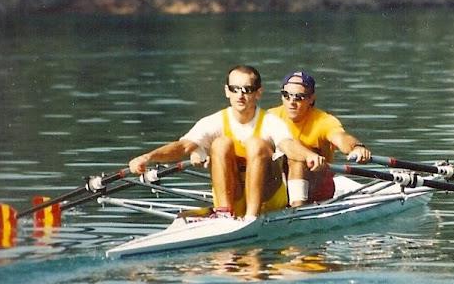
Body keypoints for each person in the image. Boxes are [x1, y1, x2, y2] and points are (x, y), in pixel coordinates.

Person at [128, 65, 325, 220]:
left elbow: (288, 146)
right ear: (226, 91)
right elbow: (183, 146)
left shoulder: (271, 122)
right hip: (234, 196)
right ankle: (224, 213)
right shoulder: (213, 122)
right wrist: (149, 156)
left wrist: (310, 156)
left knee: (256, 144)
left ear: (258, 93)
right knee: (221, 144)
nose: (240, 95)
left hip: (268, 199)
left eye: (247, 89)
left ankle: (251, 216)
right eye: (235, 89)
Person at [269, 71, 371, 206]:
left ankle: (298, 212)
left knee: (297, 157)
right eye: (286, 96)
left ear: (311, 99)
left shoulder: (323, 121)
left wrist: (357, 148)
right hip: (280, 184)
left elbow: (341, 138)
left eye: (299, 97)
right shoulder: (271, 117)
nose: (291, 102)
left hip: (318, 188)